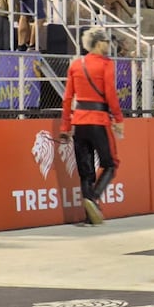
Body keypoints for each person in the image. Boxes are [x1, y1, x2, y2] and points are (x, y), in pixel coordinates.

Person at [60, 27, 123, 225]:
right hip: (99, 121)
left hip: (79, 122)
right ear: (98, 43)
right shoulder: (106, 64)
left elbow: (68, 98)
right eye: (106, 42)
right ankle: (93, 199)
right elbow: (111, 94)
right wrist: (119, 119)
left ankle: (90, 217)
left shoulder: (76, 65)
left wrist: (65, 127)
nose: (108, 45)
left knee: (85, 171)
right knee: (111, 165)